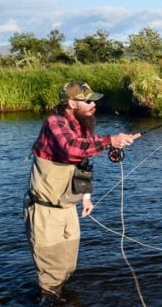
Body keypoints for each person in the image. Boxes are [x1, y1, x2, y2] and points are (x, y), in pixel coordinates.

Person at [23, 80, 140, 300]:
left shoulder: (81, 126)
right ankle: (48, 300)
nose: (92, 104)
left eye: (93, 100)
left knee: (68, 266)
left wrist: (86, 197)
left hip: (68, 207)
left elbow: (83, 163)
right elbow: (71, 149)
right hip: (45, 211)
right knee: (51, 273)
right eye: (87, 101)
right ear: (70, 103)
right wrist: (109, 141)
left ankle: (61, 298)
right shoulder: (54, 122)